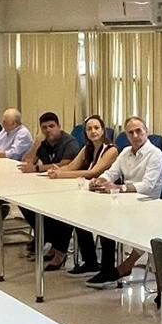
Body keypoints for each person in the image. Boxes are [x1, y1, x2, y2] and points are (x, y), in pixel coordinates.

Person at [85, 116, 162, 289]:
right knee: (103, 219)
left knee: (138, 227)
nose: (136, 135)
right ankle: (107, 268)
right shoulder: (125, 152)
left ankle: (124, 267)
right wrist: (100, 180)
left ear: (147, 131)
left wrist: (118, 187)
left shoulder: (155, 154)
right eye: (131, 132)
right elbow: (112, 172)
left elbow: (147, 185)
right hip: (126, 201)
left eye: (139, 131)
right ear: (127, 136)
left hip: (149, 204)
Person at [46, 114, 118, 276]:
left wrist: (61, 175)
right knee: (74, 215)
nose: (93, 131)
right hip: (89, 191)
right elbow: (72, 166)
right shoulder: (88, 148)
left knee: (100, 224)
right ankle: (90, 261)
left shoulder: (111, 149)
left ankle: (106, 268)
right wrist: (56, 170)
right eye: (89, 129)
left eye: (96, 128)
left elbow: (94, 172)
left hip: (107, 195)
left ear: (103, 130)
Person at [17, 112, 81, 268]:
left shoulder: (69, 142)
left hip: (69, 186)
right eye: (44, 127)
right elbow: (27, 163)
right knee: (23, 203)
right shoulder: (43, 143)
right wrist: (36, 144)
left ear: (59, 127)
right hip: (47, 185)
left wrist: (37, 168)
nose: (48, 130)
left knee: (63, 211)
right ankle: (47, 237)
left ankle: (59, 250)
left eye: (52, 126)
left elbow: (66, 164)